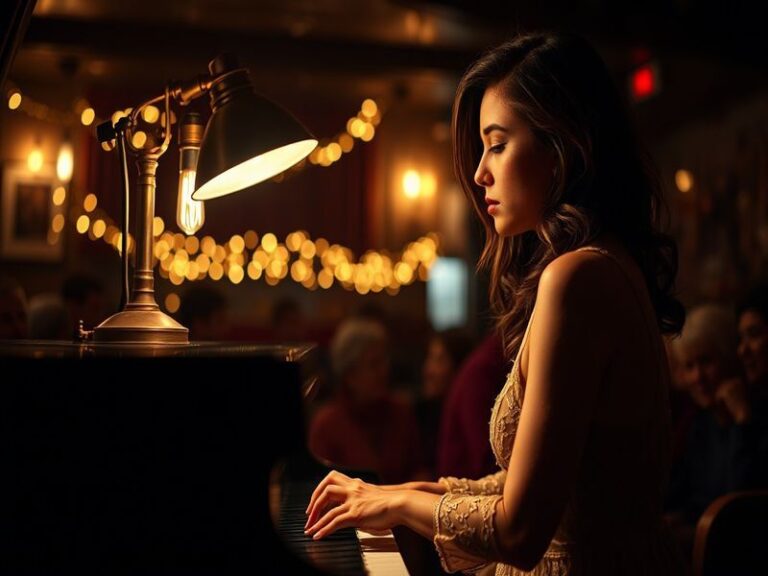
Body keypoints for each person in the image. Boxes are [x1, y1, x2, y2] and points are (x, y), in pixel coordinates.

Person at [304, 32, 688, 576]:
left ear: (561, 147)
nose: (481, 171)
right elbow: (537, 489)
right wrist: (398, 492)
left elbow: (520, 530)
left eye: (498, 143)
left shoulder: (577, 278)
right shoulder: (600, 264)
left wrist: (394, 503)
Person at [308, 317, 426, 485]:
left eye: (384, 360)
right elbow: (319, 487)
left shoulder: (401, 412)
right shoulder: (327, 424)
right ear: (350, 375)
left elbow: (419, 471)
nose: (384, 370)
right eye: (374, 364)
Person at [415, 327, 474, 476]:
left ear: (458, 365)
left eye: (439, 360)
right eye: (430, 358)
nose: (428, 370)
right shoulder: (424, 412)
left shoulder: (468, 412)